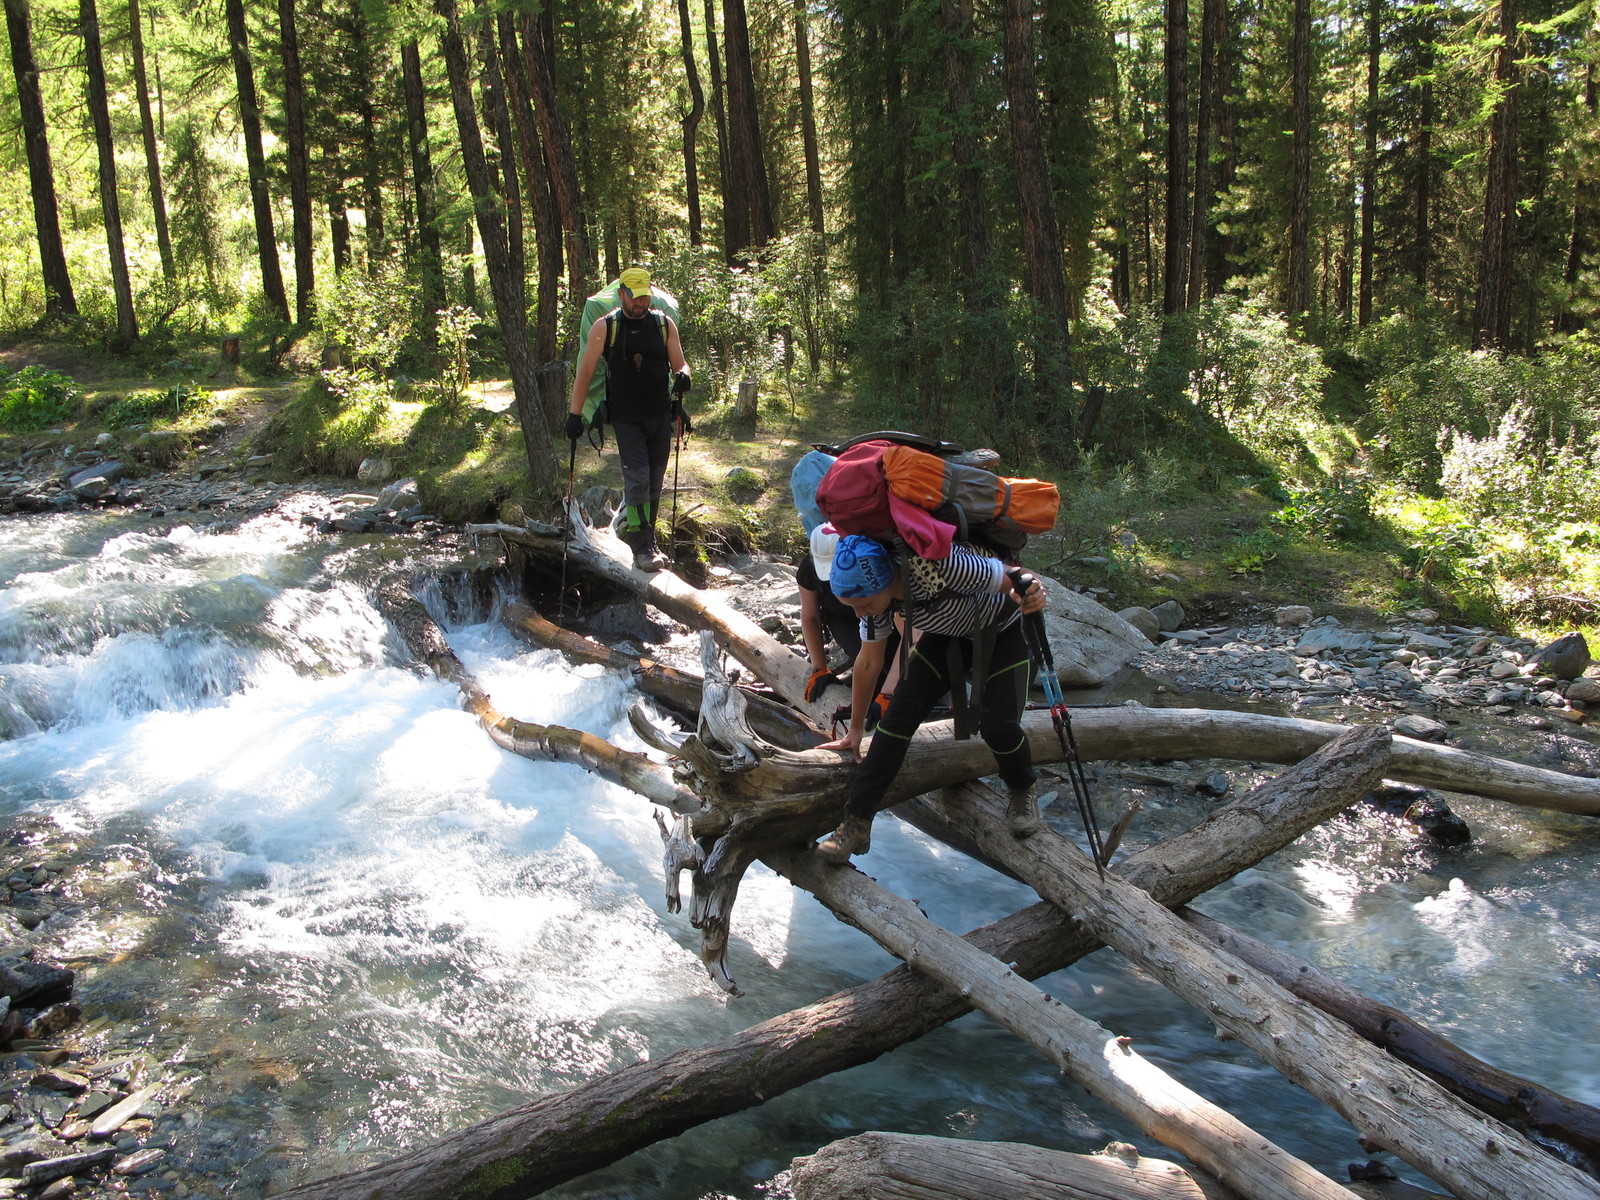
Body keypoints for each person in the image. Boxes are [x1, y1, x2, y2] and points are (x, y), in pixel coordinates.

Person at [815, 535, 1048, 863]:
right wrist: (854, 731)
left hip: (1006, 628)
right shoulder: (873, 601)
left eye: (863, 604)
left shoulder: (944, 566)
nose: (860, 613)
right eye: (853, 607)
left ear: (885, 580)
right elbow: (868, 662)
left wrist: (1032, 591)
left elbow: (1016, 575)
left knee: (998, 727)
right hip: (949, 635)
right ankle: (856, 823)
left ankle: (1022, 787)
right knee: (894, 723)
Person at [565, 267, 691, 571]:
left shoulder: (663, 324)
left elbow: (681, 363)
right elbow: (584, 372)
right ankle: (641, 545)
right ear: (621, 294)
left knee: (654, 481)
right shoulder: (605, 327)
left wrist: (683, 376)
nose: (640, 303)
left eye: (644, 297)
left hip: (660, 414)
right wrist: (575, 415)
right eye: (634, 297)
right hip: (626, 417)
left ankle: (650, 540)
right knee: (637, 478)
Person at [799, 522, 900, 707]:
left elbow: (911, 635)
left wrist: (889, 692)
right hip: (842, 617)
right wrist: (820, 668)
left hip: (880, 610)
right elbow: (810, 617)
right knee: (862, 654)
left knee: (894, 658)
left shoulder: (870, 559)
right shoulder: (808, 569)